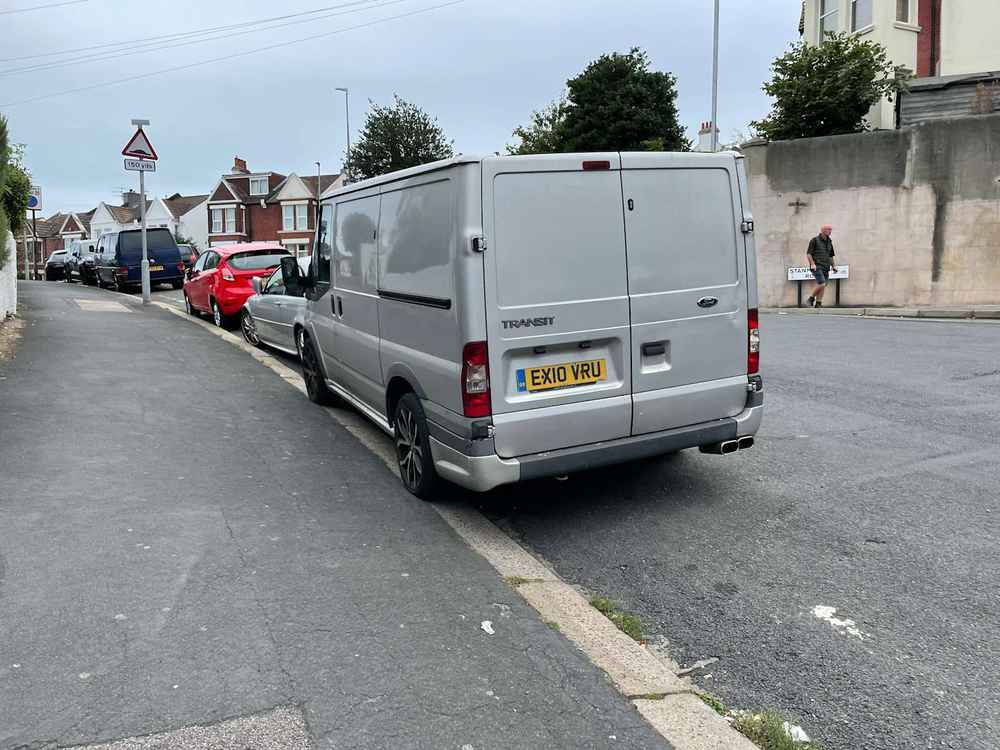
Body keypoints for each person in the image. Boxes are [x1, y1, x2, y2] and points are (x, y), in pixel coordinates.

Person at [806, 225, 838, 308]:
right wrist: (812, 264)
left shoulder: (829, 242)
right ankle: (811, 298)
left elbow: (831, 256)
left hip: (826, 267)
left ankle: (818, 303)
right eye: (828, 229)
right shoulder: (815, 240)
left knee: (823, 286)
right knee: (822, 284)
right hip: (817, 266)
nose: (830, 231)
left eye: (831, 229)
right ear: (823, 230)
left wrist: (834, 266)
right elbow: (809, 254)